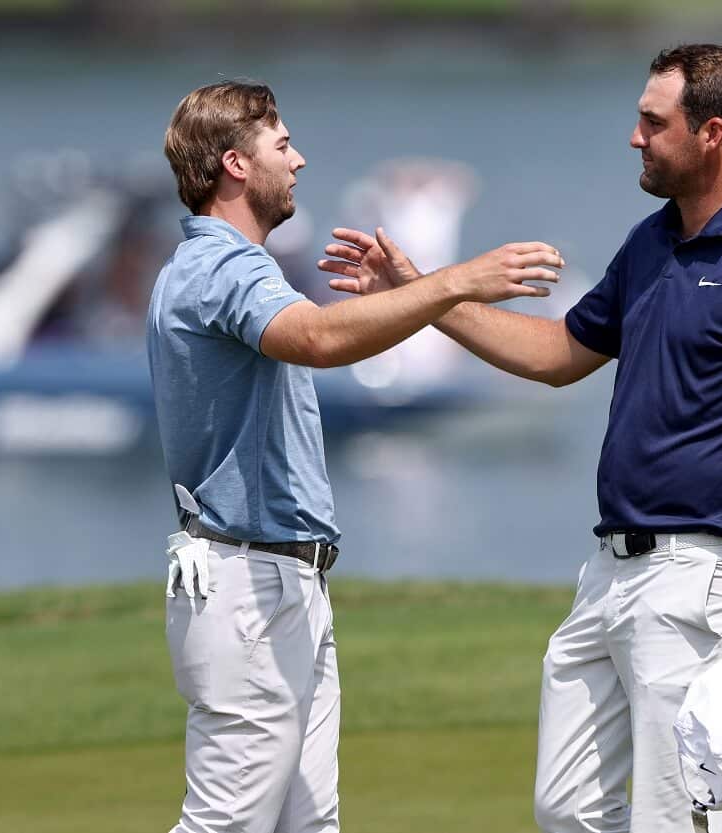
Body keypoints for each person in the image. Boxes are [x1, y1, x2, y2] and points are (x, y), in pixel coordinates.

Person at [322, 44, 722, 833]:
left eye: (651, 121)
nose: (634, 136)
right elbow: (557, 354)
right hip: (610, 575)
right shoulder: (651, 241)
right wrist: (421, 294)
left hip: (703, 581)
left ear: (711, 134)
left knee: (676, 819)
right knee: (566, 807)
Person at [148, 79, 563, 833]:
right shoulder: (222, 268)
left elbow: (328, 328)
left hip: (280, 581)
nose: (299, 159)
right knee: (225, 823)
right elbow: (318, 338)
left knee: (309, 824)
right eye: (282, 144)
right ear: (236, 165)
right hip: (251, 586)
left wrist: (408, 292)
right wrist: (455, 282)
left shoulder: (225, 268)